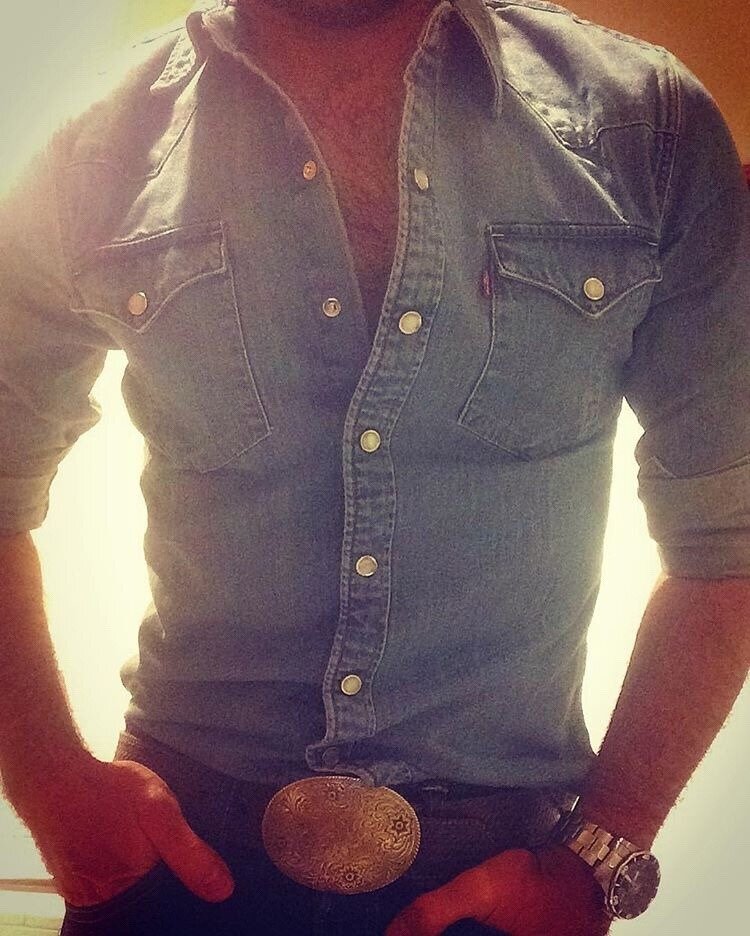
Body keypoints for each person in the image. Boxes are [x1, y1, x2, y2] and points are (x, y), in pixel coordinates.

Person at [0, 1, 748, 934]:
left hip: (506, 883)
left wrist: (602, 852)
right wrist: (52, 788)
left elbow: (731, 538)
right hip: (170, 871)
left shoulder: (649, 129)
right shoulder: (87, 150)